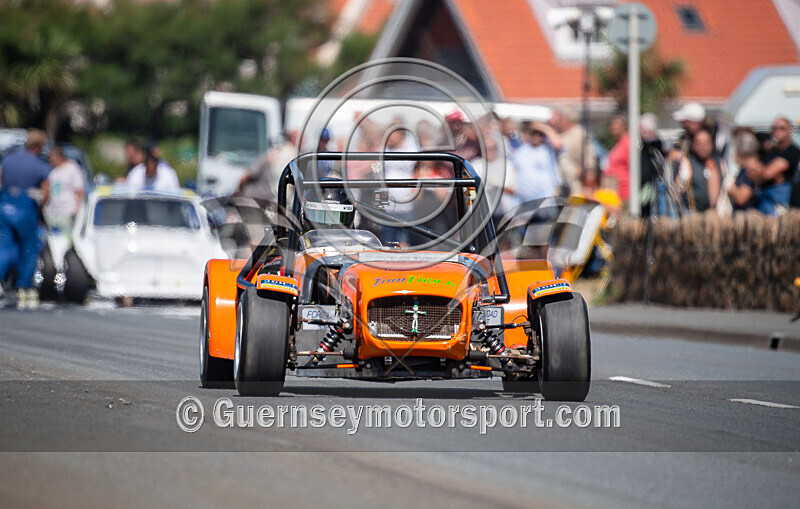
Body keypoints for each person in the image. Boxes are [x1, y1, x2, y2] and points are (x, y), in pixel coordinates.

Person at [0, 130, 50, 309]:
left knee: (4, 246)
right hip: (25, 207)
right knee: (28, 249)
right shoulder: (39, 165)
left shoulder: (8, 160)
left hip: (5, 204)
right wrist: (41, 210)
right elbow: (46, 193)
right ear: (38, 146)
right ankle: (23, 286)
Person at [745, 116, 798, 214]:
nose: (777, 131)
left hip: (780, 202)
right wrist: (764, 173)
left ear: (790, 130)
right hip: (765, 200)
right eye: (774, 128)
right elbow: (752, 173)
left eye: (782, 128)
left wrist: (761, 171)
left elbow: (767, 174)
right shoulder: (772, 152)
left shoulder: (792, 151)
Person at [511, 122, 563, 203]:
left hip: (545, 200)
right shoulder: (520, 152)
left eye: (540, 134)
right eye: (534, 133)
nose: (537, 136)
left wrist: (544, 128)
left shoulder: (549, 150)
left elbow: (558, 144)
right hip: (526, 201)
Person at [675, 129, 723, 212]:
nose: (703, 146)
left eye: (706, 143)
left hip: (712, 215)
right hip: (690, 214)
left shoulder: (719, 163)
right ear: (693, 145)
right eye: (699, 143)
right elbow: (675, 192)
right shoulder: (685, 163)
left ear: (712, 145)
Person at [549, 107, 596, 194]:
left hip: (575, 183)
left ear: (567, 118)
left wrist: (589, 181)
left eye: (560, 117)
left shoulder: (580, 133)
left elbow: (589, 159)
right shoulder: (558, 134)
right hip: (559, 184)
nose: (558, 120)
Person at [43, 146, 85, 230]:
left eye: (51, 158)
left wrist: (77, 210)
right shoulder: (53, 171)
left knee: (65, 238)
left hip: (67, 210)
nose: (49, 160)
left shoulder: (72, 168)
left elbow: (79, 190)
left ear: (58, 156)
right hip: (52, 211)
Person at [727, 131, 760, 211]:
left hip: (747, 218)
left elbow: (741, 198)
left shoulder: (750, 171)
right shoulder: (745, 170)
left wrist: (731, 189)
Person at [604, 115, 630, 202]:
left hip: (624, 192)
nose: (613, 127)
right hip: (614, 192)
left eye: (616, 124)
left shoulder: (628, 143)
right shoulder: (618, 144)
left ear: (624, 126)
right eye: (611, 124)